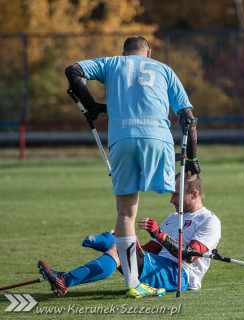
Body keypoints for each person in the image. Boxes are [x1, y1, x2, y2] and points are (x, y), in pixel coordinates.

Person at [64, 35, 201, 297]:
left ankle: (133, 283)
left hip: (121, 139)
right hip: (158, 141)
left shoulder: (112, 63)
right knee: (175, 192)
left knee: (126, 213)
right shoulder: (164, 69)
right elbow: (188, 118)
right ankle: (174, 239)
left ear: (124, 52)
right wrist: (192, 160)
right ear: (148, 53)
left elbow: (74, 71)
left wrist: (91, 105)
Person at [38, 174, 221, 298]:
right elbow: (151, 250)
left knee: (120, 249)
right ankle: (107, 243)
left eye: (176, 195)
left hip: (179, 274)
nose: (171, 200)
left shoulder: (209, 221)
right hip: (156, 265)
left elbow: (190, 256)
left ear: (194, 194)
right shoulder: (173, 218)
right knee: (120, 241)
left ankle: (65, 280)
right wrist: (129, 239)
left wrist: (159, 234)